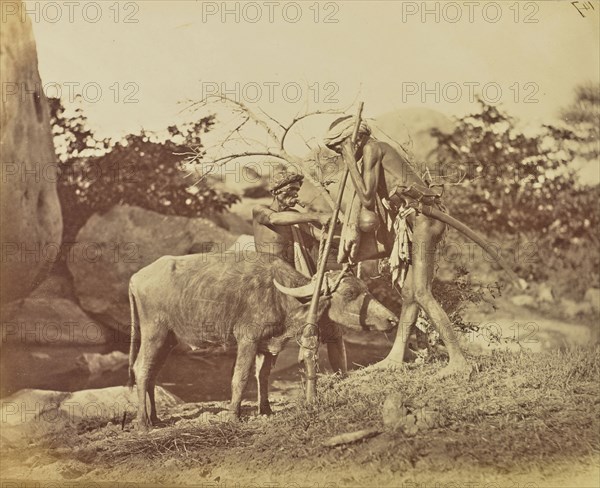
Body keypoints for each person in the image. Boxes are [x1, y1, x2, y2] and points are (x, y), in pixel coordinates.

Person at [324, 116, 472, 378]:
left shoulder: (372, 148)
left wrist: (349, 158)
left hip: (424, 220)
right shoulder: (372, 151)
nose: (339, 153)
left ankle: (458, 359)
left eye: (340, 147)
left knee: (422, 292)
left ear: (353, 139)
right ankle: (397, 355)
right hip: (413, 222)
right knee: (408, 292)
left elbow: (367, 198)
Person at [252, 170, 347, 374]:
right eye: (291, 190)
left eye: (297, 191)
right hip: (270, 283)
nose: (295, 195)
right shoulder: (261, 210)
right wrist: (316, 215)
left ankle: (341, 378)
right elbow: (276, 219)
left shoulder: (296, 218)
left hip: (296, 282)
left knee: (331, 329)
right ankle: (260, 395)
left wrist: (344, 234)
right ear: (277, 191)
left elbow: (319, 236)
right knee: (269, 341)